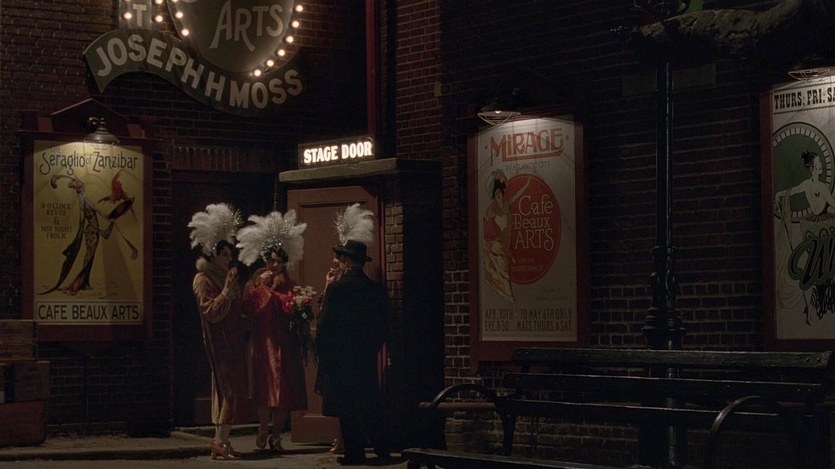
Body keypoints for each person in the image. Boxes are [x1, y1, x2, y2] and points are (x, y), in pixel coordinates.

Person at [237, 210, 309, 452]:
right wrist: (264, 288)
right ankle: (262, 428)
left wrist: (297, 307)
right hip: (264, 343)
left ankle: (276, 435)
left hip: (285, 345)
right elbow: (248, 308)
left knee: (284, 392)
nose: (274, 265)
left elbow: (294, 309)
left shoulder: (290, 284)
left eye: (278, 261)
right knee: (264, 389)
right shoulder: (255, 283)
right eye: (271, 260)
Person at [315, 239, 390, 466]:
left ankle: (355, 453)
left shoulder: (337, 289)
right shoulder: (375, 289)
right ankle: (382, 448)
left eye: (340, 258)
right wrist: (371, 349)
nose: (338, 262)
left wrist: (324, 353)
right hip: (365, 357)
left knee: (347, 408)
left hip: (341, 357)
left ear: (347, 261)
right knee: (369, 404)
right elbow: (382, 325)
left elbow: (325, 325)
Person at [188, 203, 247, 461]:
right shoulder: (203, 279)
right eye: (224, 255)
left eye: (229, 255)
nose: (228, 259)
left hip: (233, 340)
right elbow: (210, 312)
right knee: (228, 390)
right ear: (213, 255)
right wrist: (226, 291)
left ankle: (222, 440)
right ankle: (220, 442)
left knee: (228, 390)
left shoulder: (226, 277)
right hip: (219, 341)